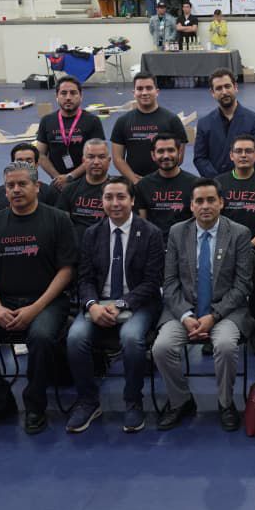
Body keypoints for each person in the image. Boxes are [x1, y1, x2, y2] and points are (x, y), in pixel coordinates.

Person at [0, 162, 78, 435]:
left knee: (41, 337)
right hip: (3, 301)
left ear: (37, 186)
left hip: (48, 302)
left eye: (22, 184)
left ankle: (35, 406)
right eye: (10, 185)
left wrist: (35, 308)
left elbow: (66, 270)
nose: (15, 190)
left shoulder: (58, 219)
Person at [151, 178, 255, 432]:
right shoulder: (177, 232)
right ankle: (181, 401)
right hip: (184, 311)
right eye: (199, 201)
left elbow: (243, 285)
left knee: (225, 346)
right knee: (161, 348)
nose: (205, 206)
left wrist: (214, 316)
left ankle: (226, 403)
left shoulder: (239, 233)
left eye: (211, 200)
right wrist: (185, 316)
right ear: (191, 205)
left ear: (221, 203)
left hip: (226, 312)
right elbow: (170, 282)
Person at [64, 178, 164, 434]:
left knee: (131, 338)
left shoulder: (150, 233)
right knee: (75, 338)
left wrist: (121, 304)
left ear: (132, 200)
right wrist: (92, 305)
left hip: (138, 303)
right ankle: (88, 401)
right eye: (109, 197)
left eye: (121, 197)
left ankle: (133, 401)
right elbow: (84, 279)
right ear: (102, 201)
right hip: (99, 303)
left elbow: (152, 282)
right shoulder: (91, 234)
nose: (115, 203)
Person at [110, 74, 188, 184]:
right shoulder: (122, 122)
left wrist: (159, 179)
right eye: (140, 89)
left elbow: (179, 157)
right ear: (134, 93)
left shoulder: (172, 120)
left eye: (149, 88)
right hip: (134, 184)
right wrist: (135, 180)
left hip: (164, 182)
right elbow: (118, 158)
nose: (144, 92)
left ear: (157, 91)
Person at [192, 68, 255, 177]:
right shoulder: (204, 124)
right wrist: (218, 180)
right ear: (212, 93)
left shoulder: (254, 120)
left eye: (227, 86)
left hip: (246, 181)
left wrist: (236, 179)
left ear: (235, 87)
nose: (224, 92)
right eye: (219, 88)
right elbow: (200, 158)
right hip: (214, 183)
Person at [35, 76, 106, 188]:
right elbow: (40, 154)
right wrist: (58, 178)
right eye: (63, 93)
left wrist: (70, 177)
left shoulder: (92, 121)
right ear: (57, 96)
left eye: (73, 93)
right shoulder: (47, 121)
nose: (68, 97)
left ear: (81, 96)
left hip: (87, 183)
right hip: (58, 183)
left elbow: (96, 156)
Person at [216, 134, 255, 245]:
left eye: (248, 151)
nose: (243, 155)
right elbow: (214, 219)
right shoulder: (218, 183)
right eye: (238, 151)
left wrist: (252, 245)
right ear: (231, 155)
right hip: (225, 245)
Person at [135, 134, 198, 242]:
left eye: (171, 150)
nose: (166, 156)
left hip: (184, 245)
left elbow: (197, 224)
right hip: (154, 245)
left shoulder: (195, 184)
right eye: (160, 151)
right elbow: (142, 225)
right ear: (153, 155)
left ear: (179, 152)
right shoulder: (143, 185)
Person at [55, 139, 112, 240]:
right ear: (83, 161)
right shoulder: (70, 190)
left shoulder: (118, 192)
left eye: (101, 157)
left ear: (109, 161)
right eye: (91, 157)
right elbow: (61, 225)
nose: (96, 162)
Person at [0, 143, 60, 216]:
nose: (24, 164)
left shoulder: (49, 192)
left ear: (36, 164)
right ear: (12, 164)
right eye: (19, 161)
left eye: (29, 161)